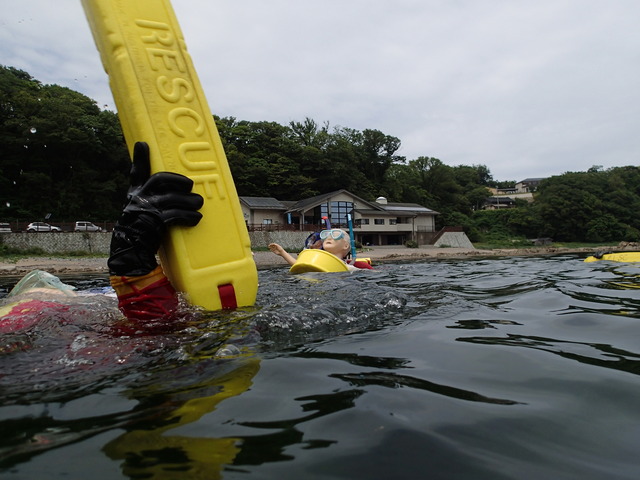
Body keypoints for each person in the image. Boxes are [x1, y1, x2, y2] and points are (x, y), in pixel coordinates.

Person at [1, 142, 204, 336]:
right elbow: (156, 337)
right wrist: (133, 270)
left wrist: (131, 267)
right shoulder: (27, 321)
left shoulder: (81, 303)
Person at [269, 228, 373, 270]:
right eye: (327, 235)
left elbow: (357, 271)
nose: (329, 237)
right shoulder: (319, 259)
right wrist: (282, 252)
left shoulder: (346, 266)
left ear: (345, 246)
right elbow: (300, 264)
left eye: (335, 235)